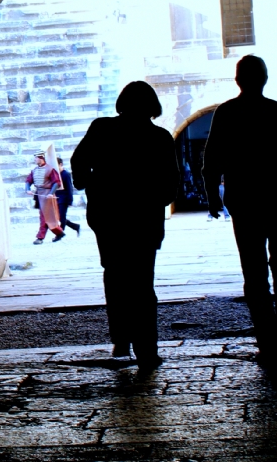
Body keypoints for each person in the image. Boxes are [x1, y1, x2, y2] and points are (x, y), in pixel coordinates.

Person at [203, 55, 277, 362]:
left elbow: (212, 160)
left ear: (238, 80)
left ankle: (266, 339)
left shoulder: (227, 113)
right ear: (265, 79)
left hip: (245, 200)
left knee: (254, 271)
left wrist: (213, 196)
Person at [71, 81, 179, 369]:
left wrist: (88, 183)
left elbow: (79, 162)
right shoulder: (159, 138)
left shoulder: (102, 128)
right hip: (144, 219)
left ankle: (121, 340)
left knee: (115, 277)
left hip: (108, 217)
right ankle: (147, 348)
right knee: (143, 283)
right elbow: (171, 185)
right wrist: (152, 199)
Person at [25, 150, 65, 244]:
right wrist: (28, 189)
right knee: (46, 217)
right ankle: (59, 232)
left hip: (47, 195)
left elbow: (56, 182)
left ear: (41, 158)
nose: (35, 159)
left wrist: (51, 193)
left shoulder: (50, 169)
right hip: (39, 195)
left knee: (45, 217)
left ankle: (40, 237)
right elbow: (28, 180)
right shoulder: (34, 170)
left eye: (36, 158)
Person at [55, 157, 81, 237]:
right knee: (59, 217)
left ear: (60, 164)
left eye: (56, 165)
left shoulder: (66, 174)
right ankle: (75, 226)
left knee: (61, 217)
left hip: (64, 199)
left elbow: (70, 188)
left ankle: (60, 234)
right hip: (57, 198)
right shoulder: (56, 175)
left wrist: (70, 200)